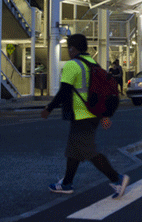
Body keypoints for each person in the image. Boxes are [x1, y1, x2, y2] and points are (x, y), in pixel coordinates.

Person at [40, 34, 129, 198]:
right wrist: (104, 116)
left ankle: (117, 179)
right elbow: (99, 91)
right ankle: (66, 183)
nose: (68, 51)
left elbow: (64, 91)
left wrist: (49, 108)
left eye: (69, 48)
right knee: (74, 151)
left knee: (89, 152)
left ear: (73, 48)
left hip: (82, 115)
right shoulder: (93, 63)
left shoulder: (72, 65)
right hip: (93, 114)